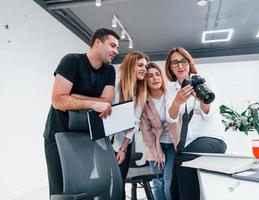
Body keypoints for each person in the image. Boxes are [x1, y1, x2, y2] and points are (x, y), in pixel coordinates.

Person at [43, 28, 120, 197]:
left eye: (117, 48)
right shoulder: (72, 61)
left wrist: (74, 97)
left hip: (85, 134)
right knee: (62, 190)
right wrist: (93, 102)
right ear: (98, 42)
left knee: (84, 187)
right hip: (59, 133)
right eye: (112, 45)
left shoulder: (109, 71)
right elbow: (58, 101)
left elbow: (106, 103)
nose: (116, 51)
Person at [164, 47, 227, 200]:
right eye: (175, 63)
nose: (180, 66)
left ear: (189, 62)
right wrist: (176, 103)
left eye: (183, 61)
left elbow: (210, 114)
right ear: (170, 68)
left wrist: (201, 99)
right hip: (187, 144)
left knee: (185, 164)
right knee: (175, 184)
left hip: (211, 138)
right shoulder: (171, 91)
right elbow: (170, 118)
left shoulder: (204, 80)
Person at [112, 51, 149, 199]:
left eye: (145, 66)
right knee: (109, 184)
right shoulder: (115, 84)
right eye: (140, 65)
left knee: (119, 183)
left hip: (124, 143)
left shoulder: (140, 91)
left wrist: (123, 148)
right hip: (105, 142)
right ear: (129, 66)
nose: (144, 69)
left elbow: (134, 122)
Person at [140, 62, 179, 200]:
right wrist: (156, 153)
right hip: (155, 145)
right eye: (150, 76)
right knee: (157, 182)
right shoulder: (144, 102)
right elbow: (145, 131)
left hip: (173, 144)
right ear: (145, 80)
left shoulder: (172, 94)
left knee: (168, 180)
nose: (155, 78)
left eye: (157, 74)